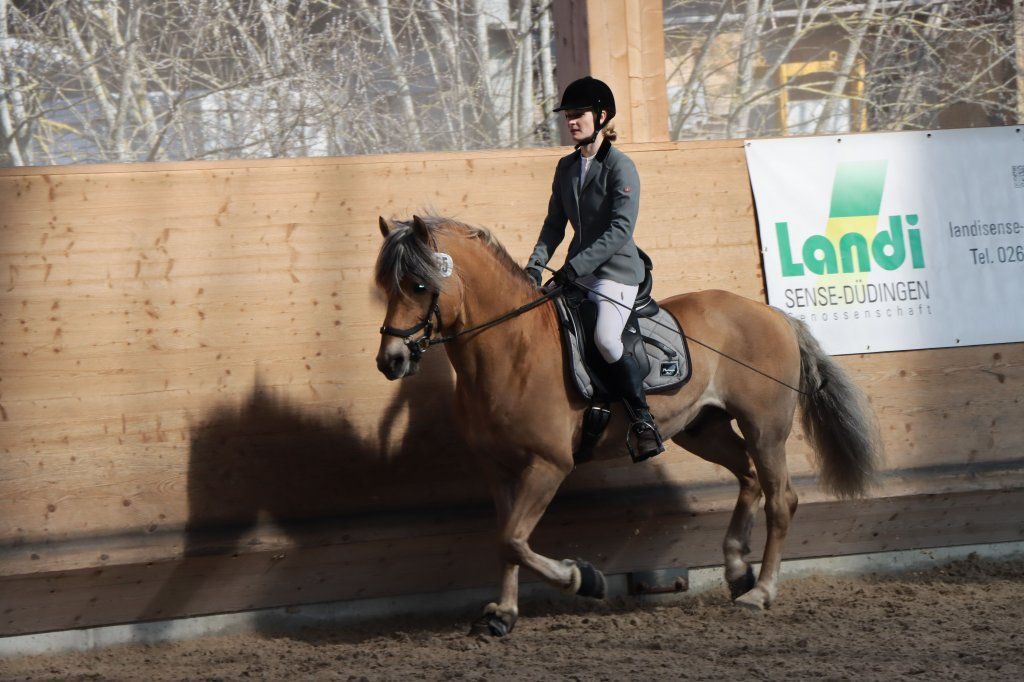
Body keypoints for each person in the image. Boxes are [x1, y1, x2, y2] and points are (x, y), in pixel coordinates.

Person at [525, 76, 664, 461]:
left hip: (616, 272)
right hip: (577, 271)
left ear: (601, 116)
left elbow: (620, 229)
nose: (571, 121)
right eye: (567, 115)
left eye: (579, 114)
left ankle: (642, 420)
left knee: (605, 338)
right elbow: (554, 224)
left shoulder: (621, 166)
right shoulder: (566, 167)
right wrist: (535, 266)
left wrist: (575, 267)